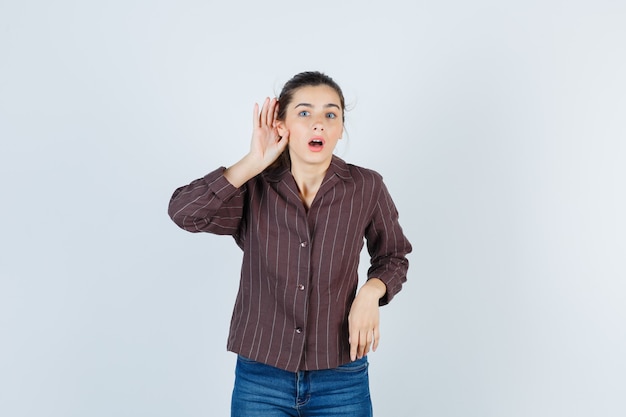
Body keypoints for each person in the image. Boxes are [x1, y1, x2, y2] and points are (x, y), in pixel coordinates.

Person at [168, 71, 412, 417]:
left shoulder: (366, 186)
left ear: (341, 127)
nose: (319, 124)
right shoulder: (254, 186)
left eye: (331, 114)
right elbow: (183, 213)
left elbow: (393, 255)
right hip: (261, 376)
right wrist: (252, 162)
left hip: (341, 376)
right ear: (280, 125)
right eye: (304, 113)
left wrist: (372, 292)